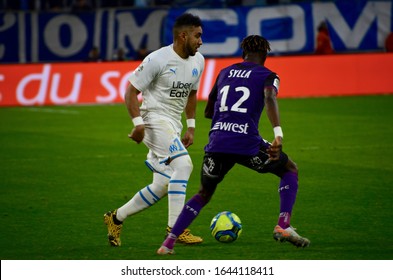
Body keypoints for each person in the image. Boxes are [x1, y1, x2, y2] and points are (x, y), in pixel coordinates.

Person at [157, 35, 310, 255]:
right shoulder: (269, 75)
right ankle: (283, 225)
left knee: (203, 194)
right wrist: (278, 134)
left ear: (243, 54)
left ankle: (168, 243)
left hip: (217, 141)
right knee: (289, 169)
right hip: (246, 142)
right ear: (265, 55)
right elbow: (269, 97)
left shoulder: (224, 72)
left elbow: (209, 111)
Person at [104, 13, 205, 247]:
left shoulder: (198, 60)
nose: (201, 41)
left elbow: (191, 93)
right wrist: (138, 123)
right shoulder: (157, 59)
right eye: (197, 36)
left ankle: (116, 218)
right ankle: (177, 228)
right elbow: (131, 91)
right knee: (184, 164)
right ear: (183, 35)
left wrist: (191, 126)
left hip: (173, 123)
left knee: (162, 185)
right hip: (153, 119)